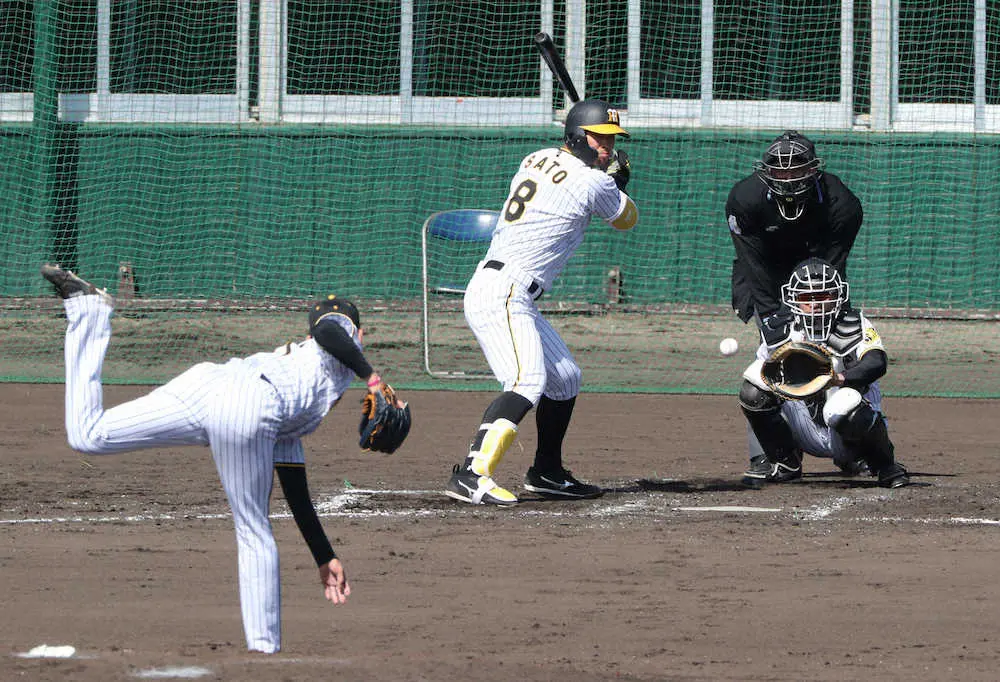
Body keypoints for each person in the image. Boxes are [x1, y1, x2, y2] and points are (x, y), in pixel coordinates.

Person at [40, 262, 408, 654]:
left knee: (89, 434)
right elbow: (328, 329)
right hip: (247, 401)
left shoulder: (302, 382)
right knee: (253, 530)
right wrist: (372, 377)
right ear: (359, 335)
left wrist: (323, 555)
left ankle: (89, 313)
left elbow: (293, 482)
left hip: (211, 385)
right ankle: (263, 652)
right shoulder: (337, 346)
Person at [444, 98, 638, 506]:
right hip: (505, 291)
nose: (607, 146)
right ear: (577, 137)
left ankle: (547, 471)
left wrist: (608, 177)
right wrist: (619, 180)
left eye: (611, 139)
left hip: (505, 289)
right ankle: (472, 474)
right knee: (526, 382)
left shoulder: (536, 157)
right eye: (599, 138)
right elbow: (626, 219)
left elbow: (581, 185)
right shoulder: (593, 182)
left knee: (564, 377)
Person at [726, 130, 868, 480]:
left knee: (836, 348)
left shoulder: (841, 203)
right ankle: (772, 455)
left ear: (814, 169)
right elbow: (754, 266)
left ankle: (855, 447)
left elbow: (833, 267)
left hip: (819, 273)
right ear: (766, 171)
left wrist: (817, 306)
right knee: (771, 357)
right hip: (765, 272)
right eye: (780, 168)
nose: (788, 176)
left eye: (797, 168)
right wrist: (772, 321)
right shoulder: (745, 199)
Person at [738, 257, 910, 489]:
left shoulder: (855, 323)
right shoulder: (777, 329)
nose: (815, 304)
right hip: (802, 423)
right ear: (793, 299)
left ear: (837, 296)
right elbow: (761, 376)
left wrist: (839, 379)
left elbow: (876, 362)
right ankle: (784, 461)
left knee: (843, 402)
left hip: (849, 422)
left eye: (823, 296)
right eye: (806, 297)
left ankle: (884, 465)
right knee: (753, 388)